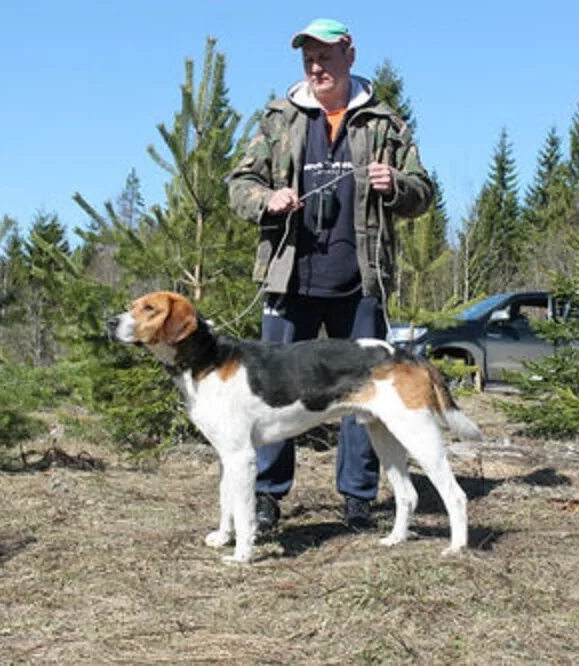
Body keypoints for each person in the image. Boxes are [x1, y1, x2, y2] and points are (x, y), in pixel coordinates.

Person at [228, 17, 433, 532]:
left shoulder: (385, 122)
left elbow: (423, 191)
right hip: (289, 278)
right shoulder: (278, 118)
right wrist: (266, 199)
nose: (316, 67)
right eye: (308, 59)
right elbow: (238, 184)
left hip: (362, 281)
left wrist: (398, 185)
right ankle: (268, 497)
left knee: (365, 393)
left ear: (349, 55)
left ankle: (358, 499)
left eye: (325, 56)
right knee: (273, 386)